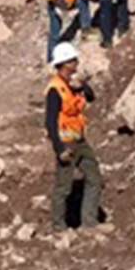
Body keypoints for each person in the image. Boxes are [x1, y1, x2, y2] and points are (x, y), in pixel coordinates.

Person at [45, 42, 102, 229]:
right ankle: (58, 226)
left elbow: (92, 97)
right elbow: (50, 122)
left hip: (80, 140)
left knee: (94, 178)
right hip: (66, 143)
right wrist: (59, 148)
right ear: (64, 63)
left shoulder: (72, 86)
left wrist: (83, 85)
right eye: (73, 60)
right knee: (63, 187)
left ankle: (89, 222)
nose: (76, 63)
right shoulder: (55, 89)